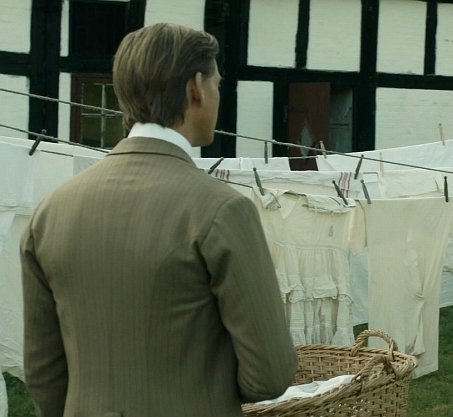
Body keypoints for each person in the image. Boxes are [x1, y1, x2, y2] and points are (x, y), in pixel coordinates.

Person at [20, 23, 297, 417]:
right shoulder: (222, 210)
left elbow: (43, 373)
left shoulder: (49, 213)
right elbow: (269, 375)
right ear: (196, 88)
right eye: (218, 83)